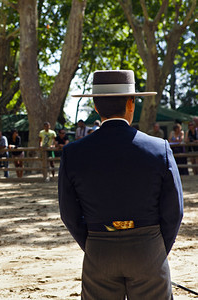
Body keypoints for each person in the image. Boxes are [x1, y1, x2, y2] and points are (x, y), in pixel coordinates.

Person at [59, 70, 183, 299]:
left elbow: (69, 214)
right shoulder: (160, 149)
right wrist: (156, 249)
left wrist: (94, 243)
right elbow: (174, 211)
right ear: (131, 103)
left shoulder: (73, 153)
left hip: (99, 247)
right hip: (148, 246)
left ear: (95, 106)